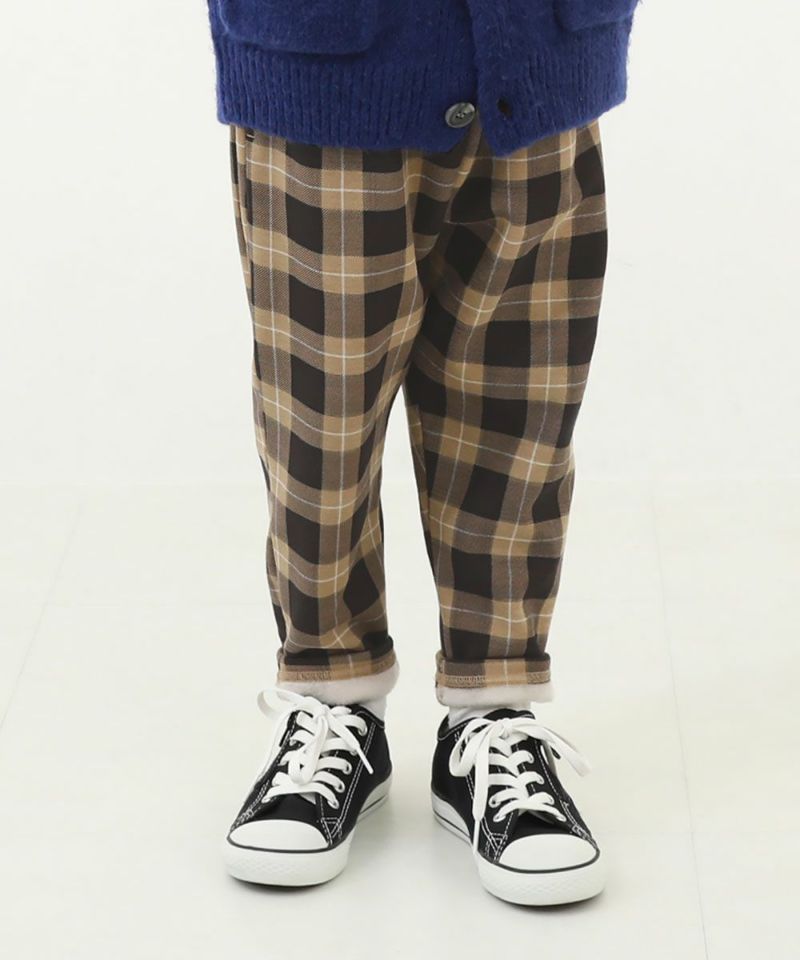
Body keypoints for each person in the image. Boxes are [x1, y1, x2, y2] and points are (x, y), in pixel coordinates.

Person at [207, 0, 638, 906]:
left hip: (539, 47)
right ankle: (333, 701)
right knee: (320, 423)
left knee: (519, 412)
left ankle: (493, 713)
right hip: (321, 51)